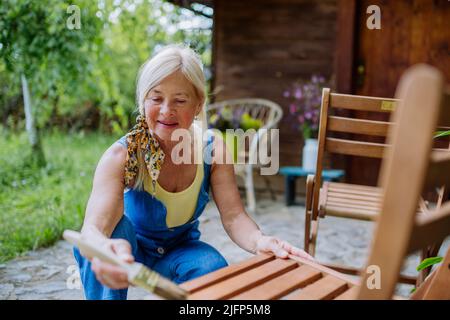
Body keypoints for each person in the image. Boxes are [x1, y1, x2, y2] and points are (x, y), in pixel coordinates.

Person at [73, 44, 314, 300]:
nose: (166, 110)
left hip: (179, 251)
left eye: (179, 100)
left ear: (199, 104)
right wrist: (104, 248)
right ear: (143, 100)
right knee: (106, 239)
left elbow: (233, 217)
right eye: (156, 98)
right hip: (128, 251)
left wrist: (260, 241)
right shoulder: (122, 155)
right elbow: (93, 230)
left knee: (212, 267)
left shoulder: (212, 149)